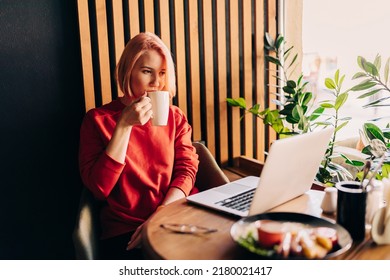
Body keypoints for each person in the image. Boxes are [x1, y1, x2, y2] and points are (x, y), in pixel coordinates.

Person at [78, 32, 199, 259]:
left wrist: (160, 214)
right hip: (126, 231)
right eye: (147, 72)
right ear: (127, 71)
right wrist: (124, 125)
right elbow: (98, 189)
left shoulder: (175, 116)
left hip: (175, 213)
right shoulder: (97, 120)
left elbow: (187, 170)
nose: (156, 82)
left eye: (162, 73)